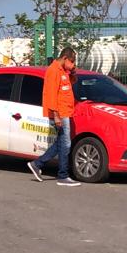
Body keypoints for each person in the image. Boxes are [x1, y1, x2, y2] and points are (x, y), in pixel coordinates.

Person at [27, 48, 80, 186]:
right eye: (72, 61)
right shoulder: (53, 70)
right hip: (60, 113)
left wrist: (72, 73)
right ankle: (63, 175)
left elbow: (68, 86)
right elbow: (51, 95)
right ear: (65, 58)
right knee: (65, 144)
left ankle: (37, 164)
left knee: (61, 143)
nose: (73, 64)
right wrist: (56, 116)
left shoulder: (64, 71)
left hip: (65, 112)